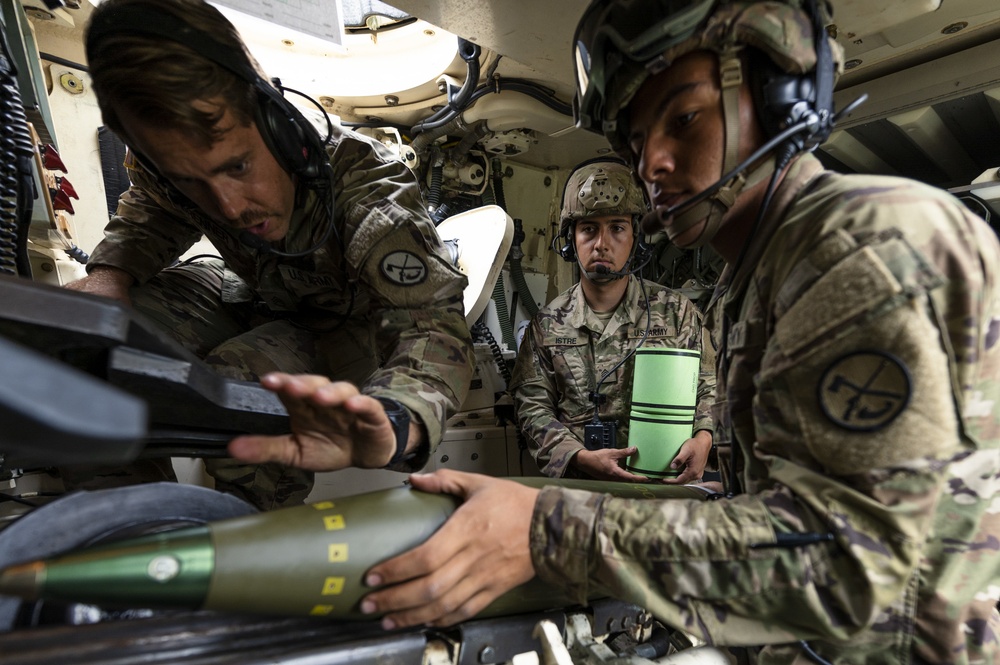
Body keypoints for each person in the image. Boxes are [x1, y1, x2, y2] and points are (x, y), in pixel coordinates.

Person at [348, 1, 1000, 662]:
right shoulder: (754, 278)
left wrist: (553, 527)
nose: (652, 161)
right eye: (634, 142)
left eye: (683, 118)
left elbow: (844, 559)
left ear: (778, 99)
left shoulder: (863, 248)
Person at [65, 0, 475, 510]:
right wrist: (110, 276)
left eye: (237, 166)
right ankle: (134, 530)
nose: (228, 207)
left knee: (238, 385)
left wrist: (397, 419)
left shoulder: (369, 193)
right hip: (254, 293)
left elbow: (433, 332)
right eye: (191, 182)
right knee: (90, 347)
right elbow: (154, 206)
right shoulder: (168, 158)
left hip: (349, 325)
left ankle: (257, 538)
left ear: (282, 130)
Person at [510, 158, 714, 482]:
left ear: (637, 239)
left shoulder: (678, 313)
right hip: (582, 491)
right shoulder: (546, 326)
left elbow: (709, 389)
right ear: (569, 240)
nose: (602, 244)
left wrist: (704, 439)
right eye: (589, 229)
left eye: (617, 228)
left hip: (664, 487)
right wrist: (577, 456)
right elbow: (531, 408)